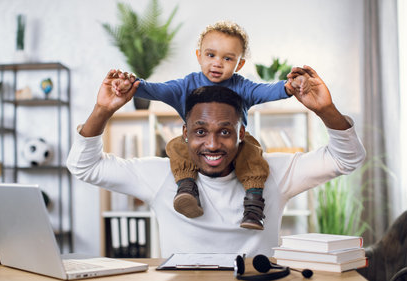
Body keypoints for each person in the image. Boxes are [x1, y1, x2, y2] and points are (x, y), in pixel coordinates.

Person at [67, 65, 366, 258]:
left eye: (225, 131)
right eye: (200, 132)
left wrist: (326, 109)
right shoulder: (159, 174)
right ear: (185, 133)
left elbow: (347, 158)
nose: (212, 144)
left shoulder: (275, 171)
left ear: (242, 133)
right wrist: (102, 110)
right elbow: (84, 166)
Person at [112, 21, 308, 231]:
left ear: (239, 64)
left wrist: (288, 87)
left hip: (234, 148)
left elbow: (265, 91)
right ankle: (187, 189)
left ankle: (253, 205)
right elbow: (156, 90)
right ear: (199, 56)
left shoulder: (242, 86)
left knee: (253, 152)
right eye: (211, 55)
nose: (217, 63)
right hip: (196, 150)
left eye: (227, 58)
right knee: (177, 146)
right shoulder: (185, 86)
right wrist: (132, 84)